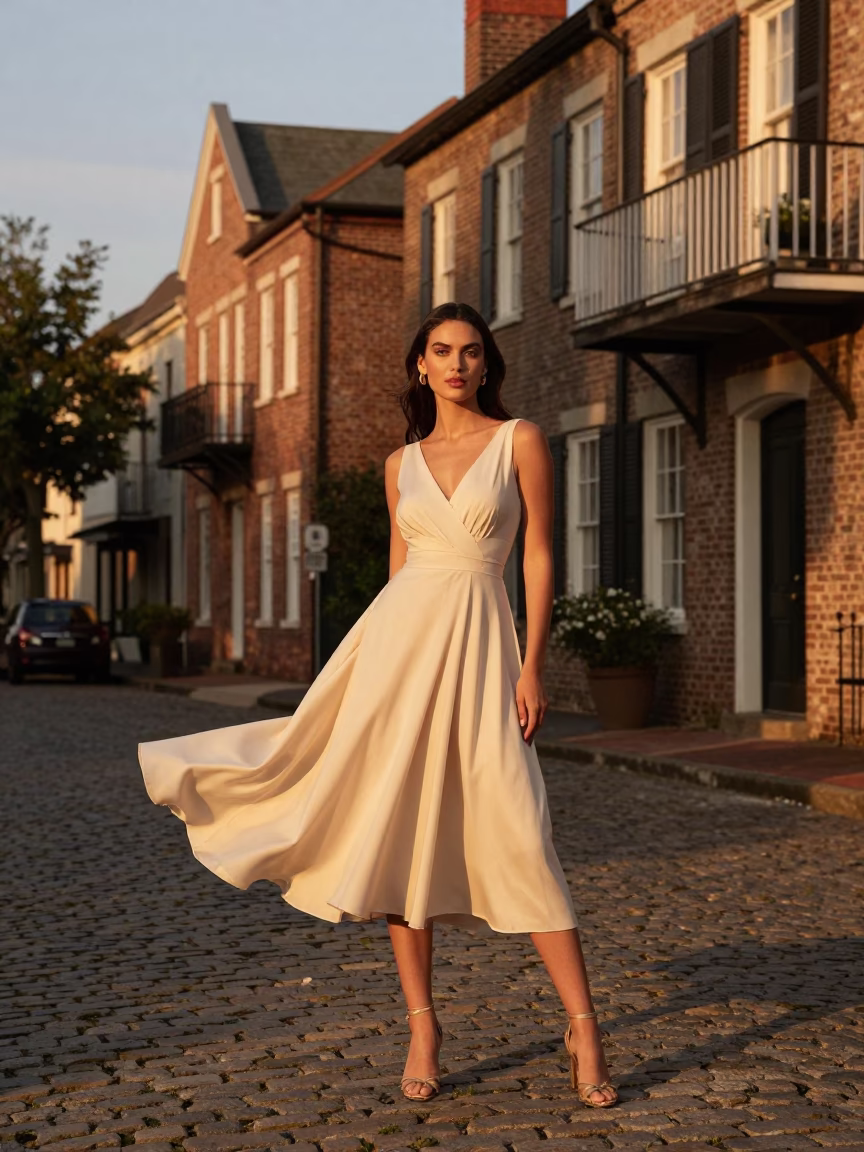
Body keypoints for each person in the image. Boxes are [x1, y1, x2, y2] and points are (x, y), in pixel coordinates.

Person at [138, 301, 617, 1109]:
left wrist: (533, 666)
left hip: (483, 652)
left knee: (522, 831)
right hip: (399, 656)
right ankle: (423, 1028)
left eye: (471, 351)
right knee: (401, 838)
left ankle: (585, 1026)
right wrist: (366, 678)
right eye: (442, 350)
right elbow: (399, 580)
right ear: (420, 366)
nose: (458, 363)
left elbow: (538, 558)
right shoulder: (399, 466)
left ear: (487, 364)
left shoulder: (521, 441)